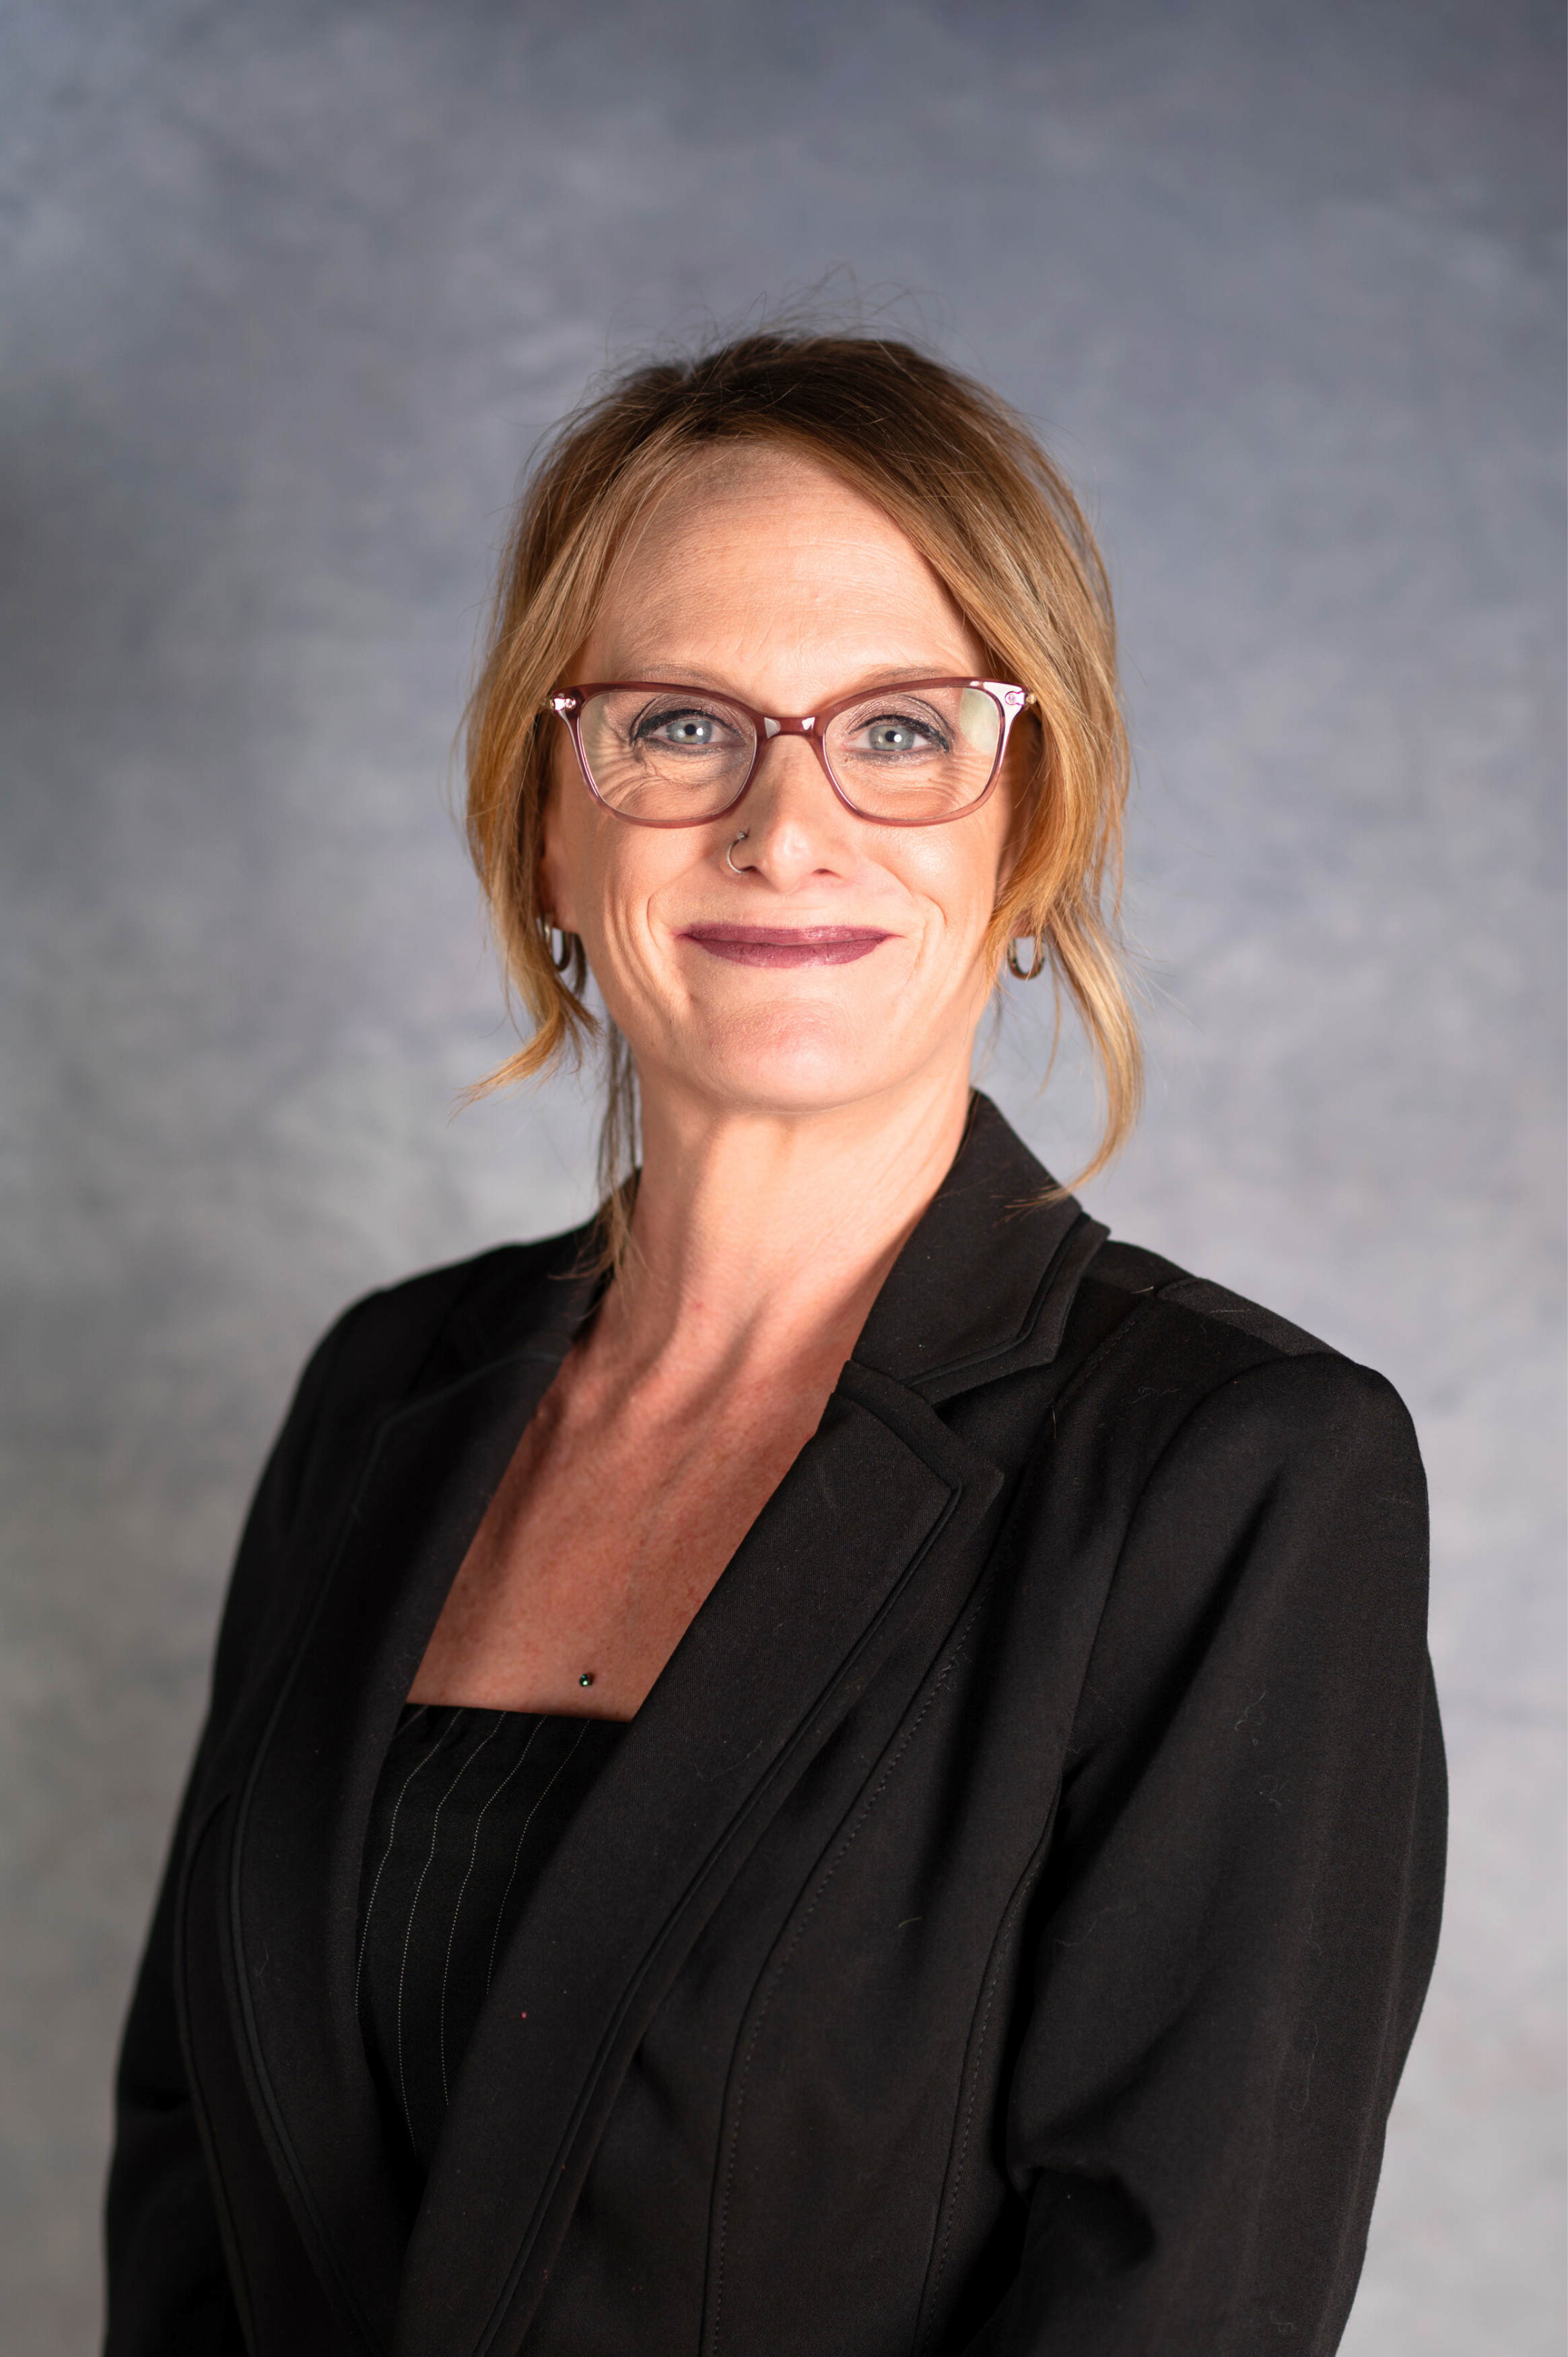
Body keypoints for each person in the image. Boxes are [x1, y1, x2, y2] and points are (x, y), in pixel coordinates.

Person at [104, 331, 1444, 2357]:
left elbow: (1178, 2301)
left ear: (1033, 831)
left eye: (900, 731)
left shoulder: (1232, 1478)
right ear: (548, 828)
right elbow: (195, 2182)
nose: (786, 826)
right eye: (677, 725)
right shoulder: (382, 1394)